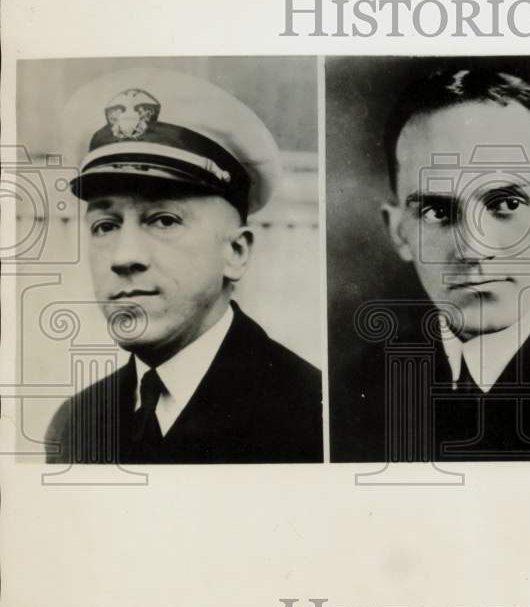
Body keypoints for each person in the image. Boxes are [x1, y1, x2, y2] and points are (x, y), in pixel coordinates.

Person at [331, 68, 530, 462]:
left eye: (506, 204)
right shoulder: (356, 393)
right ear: (398, 232)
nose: (474, 248)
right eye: (435, 212)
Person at [46, 68, 323, 464]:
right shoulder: (75, 425)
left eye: (164, 220)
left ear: (236, 252)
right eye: (105, 226)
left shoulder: (313, 415)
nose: (125, 257)